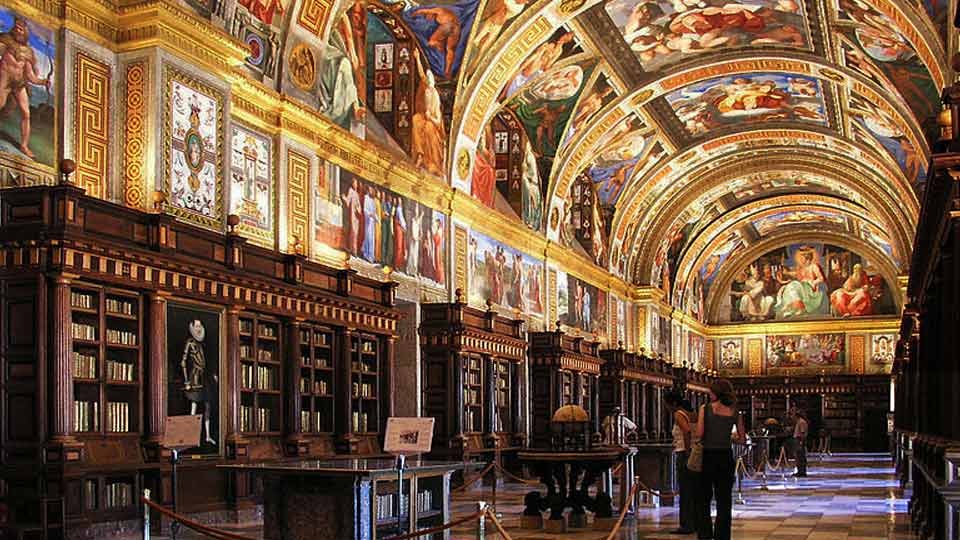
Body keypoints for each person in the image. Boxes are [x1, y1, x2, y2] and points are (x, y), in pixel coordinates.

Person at [695, 379, 746, 540]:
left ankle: (704, 534)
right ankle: (722, 536)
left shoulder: (705, 408)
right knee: (724, 499)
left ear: (716, 392)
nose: (709, 394)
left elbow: (700, 433)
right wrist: (728, 438)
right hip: (726, 457)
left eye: (710, 391)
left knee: (704, 497)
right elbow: (742, 439)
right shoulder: (734, 410)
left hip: (708, 456)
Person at [665, 391, 697, 535]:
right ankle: (694, 522)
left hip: (684, 453)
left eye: (666, 403)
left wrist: (688, 450)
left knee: (685, 490)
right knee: (691, 490)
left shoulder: (678, 414)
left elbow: (687, 431)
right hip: (692, 453)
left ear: (673, 403)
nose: (666, 407)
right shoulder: (691, 413)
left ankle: (686, 525)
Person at [793, 408, 809, 477]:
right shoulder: (799, 421)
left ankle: (802, 472)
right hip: (798, 440)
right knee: (798, 456)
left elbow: (802, 433)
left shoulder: (801, 422)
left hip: (799, 440)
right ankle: (799, 471)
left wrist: (801, 442)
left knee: (801, 456)